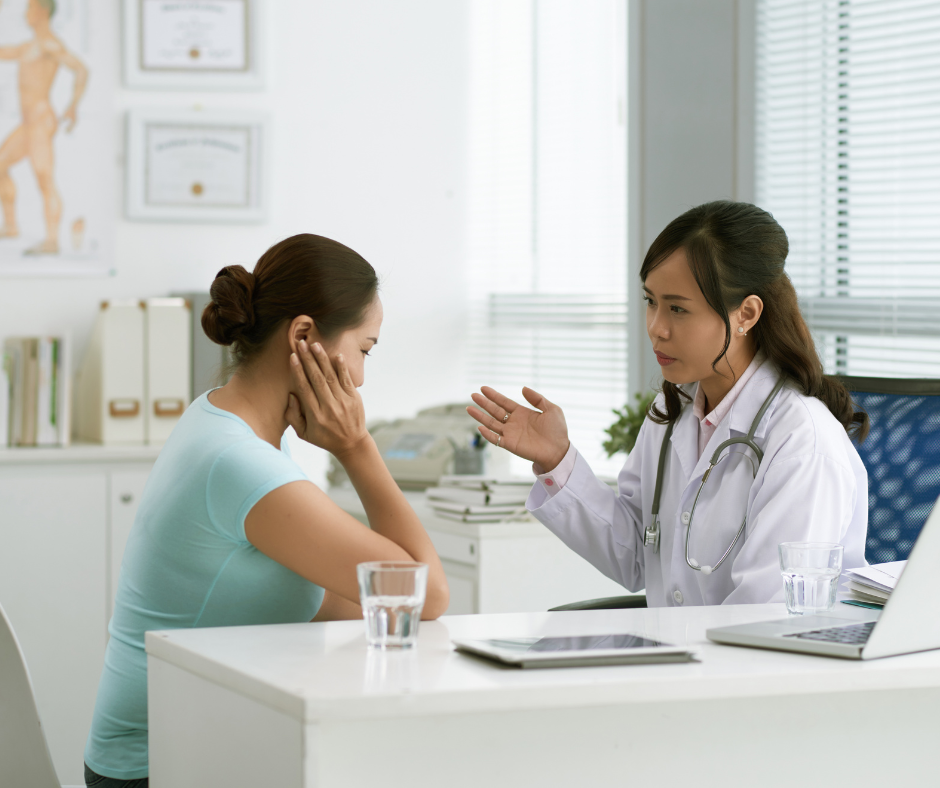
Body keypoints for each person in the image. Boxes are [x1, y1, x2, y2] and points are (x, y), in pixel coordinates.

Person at [83, 234, 449, 787]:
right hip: (154, 770)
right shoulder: (237, 463)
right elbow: (426, 593)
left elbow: (336, 595)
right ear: (302, 336)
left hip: (186, 746)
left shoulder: (226, 422)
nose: (362, 377)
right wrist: (357, 446)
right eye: (365, 350)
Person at [468, 200, 869, 608]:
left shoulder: (801, 442)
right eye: (650, 302)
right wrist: (557, 460)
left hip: (747, 663)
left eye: (677, 308)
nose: (656, 328)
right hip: (681, 656)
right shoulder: (675, 411)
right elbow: (635, 558)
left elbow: (763, 616)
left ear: (746, 313)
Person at [0, 0, 88, 255]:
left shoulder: (50, 44)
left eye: (30, 8)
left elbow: (81, 69)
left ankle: (51, 240)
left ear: (41, 11)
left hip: (40, 120)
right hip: (27, 123)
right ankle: (11, 225)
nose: (26, 13)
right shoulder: (29, 46)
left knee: (44, 178)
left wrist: (72, 106)